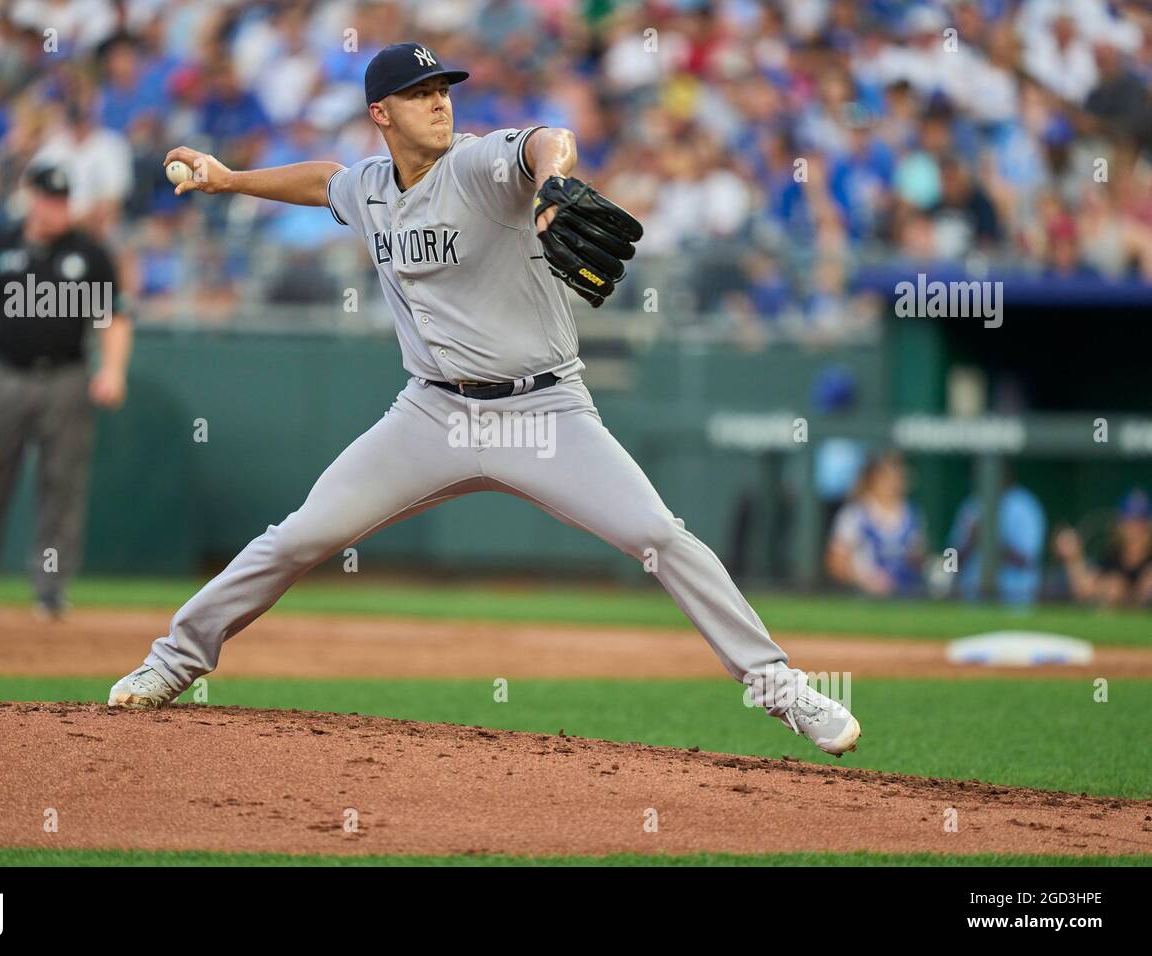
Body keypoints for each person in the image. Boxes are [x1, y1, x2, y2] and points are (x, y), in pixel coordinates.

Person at [107, 42, 861, 757]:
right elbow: (325, 181)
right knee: (301, 535)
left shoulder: (475, 167)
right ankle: (173, 662)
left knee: (661, 537)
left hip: (544, 412)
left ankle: (781, 688)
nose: (439, 105)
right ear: (382, 113)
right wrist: (229, 179)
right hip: (430, 414)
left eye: (443, 91)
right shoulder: (371, 187)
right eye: (420, 94)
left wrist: (557, 181)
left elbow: (544, 140)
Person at [0, 163, 132, 619]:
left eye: (63, 201)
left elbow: (114, 317)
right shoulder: (1, 246)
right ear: (30, 197)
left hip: (66, 378)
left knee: (62, 484)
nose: (56, 209)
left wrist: (112, 370)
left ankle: (50, 588)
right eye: (48, 199)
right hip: (7, 376)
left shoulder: (89, 253)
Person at [825, 451, 926, 597]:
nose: (895, 481)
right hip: (862, 597)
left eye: (898, 474)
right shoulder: (855, 514)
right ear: (874, 478)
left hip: (903, 597)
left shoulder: (912, 514)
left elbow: (916, 558)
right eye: (888, 475)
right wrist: (866, 580)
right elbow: (836, 563)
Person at [946, 472, 1046, 605]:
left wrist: (990, 538)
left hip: (1016, 601)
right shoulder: (971, 506)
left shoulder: (1023, 506)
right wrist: (970, 541)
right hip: (972, 601)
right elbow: (950, 561)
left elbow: (1028, 560)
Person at [1054, 489, 1152, 607]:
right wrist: (1073, 558)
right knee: (1113, 587)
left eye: (1140, 521)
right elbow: (1084, 589)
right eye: (1130, 520)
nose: (1134, 528)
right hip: (1115, 618)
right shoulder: (1112, 554)